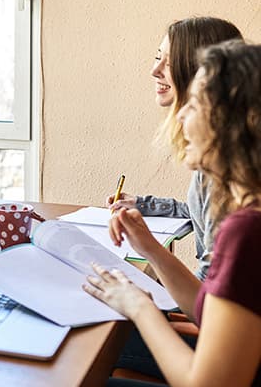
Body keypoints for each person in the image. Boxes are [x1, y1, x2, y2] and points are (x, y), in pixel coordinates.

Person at [85, 41, 261, 386]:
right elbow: (210, 313)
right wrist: (150, 248)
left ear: (233, 122)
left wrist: (139, 306)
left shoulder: (248, 230)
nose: (180, 116)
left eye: (193, 104)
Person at [106, 17, 243, 280]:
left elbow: (210, 293)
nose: (155, 70)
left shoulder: (221, 167)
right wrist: (143, 205)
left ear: (201, 73)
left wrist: (139, 301)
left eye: (168, 62)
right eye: (157, 57)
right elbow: (202, 214)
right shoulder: (220, 154)